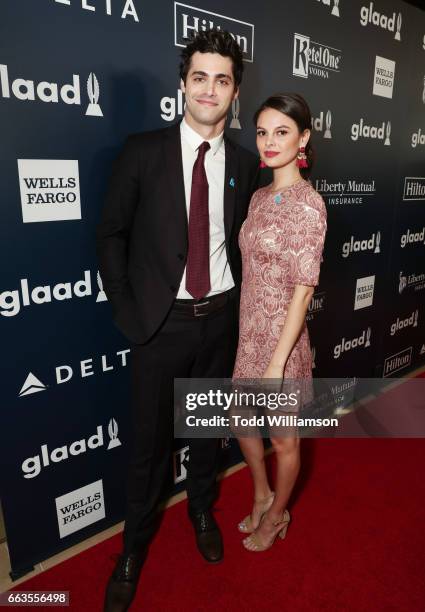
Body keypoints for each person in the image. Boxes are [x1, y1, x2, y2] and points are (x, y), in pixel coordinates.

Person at [96, 29, 258, 611]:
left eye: (222, 79)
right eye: (200, 77)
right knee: (146, 447)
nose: (209, 89)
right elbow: (111, 233)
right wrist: (127, 306)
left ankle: (200, 512)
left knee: (206, 435)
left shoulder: (244, 161)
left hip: (219, 322)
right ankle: (132, 549)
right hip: (159, 327)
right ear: (182, 84)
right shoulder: (143, 151)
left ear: (235, 92)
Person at [232, 93, 327, 552]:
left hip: (281, 346)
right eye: (262, 132)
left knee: (283, 440)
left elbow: (303, 291)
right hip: (248, 334)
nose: (269, 142)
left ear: (303, 137)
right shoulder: (258, 197)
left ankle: (275, 516)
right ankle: (261, 493)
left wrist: (276, 364)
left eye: (282, 132)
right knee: (239, 418)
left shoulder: (309, 207)